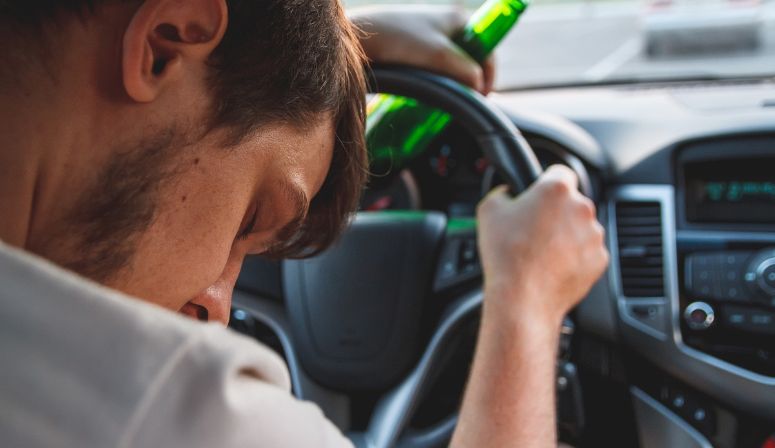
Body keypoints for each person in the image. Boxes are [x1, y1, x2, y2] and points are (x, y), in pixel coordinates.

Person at [0, 1, 608, 447]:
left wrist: (335, 49)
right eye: (252, 217)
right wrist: (526, 300)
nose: (216, 308)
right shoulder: (171, 404)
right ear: (164, 41)